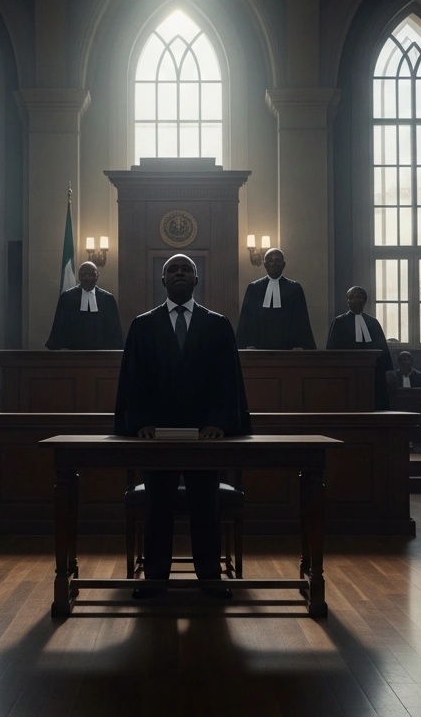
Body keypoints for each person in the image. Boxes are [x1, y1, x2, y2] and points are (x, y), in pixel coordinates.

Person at [114, 254, 251, 601]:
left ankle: (210, 576)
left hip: (205, 438)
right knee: (157, 507)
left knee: (206, 506)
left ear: (196, 278)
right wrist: (142, 422)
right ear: (162, 280)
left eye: (186, 269)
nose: (179, 273)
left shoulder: (217, 324)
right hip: (156, 437)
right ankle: (155, 577)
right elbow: (135, 380)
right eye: (172, 270)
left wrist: (219, 423)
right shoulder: (142, 325)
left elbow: (226, 381)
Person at [324, 286, 394, 409]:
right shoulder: (339, 322)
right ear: (347, 301)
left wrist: (387, 371)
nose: (355, 300)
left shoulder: (373, 322)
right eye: (351, 297)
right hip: (346, 371)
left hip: (373, 373)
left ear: (364, 301)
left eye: (358, 297)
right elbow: (332, 349)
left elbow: (383, 349)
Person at [235, 248, 317, 350]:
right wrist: (245, 344)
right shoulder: (254, 288)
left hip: (288, 349)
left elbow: (301, 321)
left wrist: (301, 345)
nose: (274, 263)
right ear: (265, 264)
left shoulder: (294, 288)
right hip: (258, 349)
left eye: (278, 261)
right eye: (270, 260)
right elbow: (246, 320)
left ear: (283, 264)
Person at [45, 261, 125, 350]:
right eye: (83, 275)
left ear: (97, 276)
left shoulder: (107, 299)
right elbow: (59, 326)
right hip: (73, 353)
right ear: (79, 277)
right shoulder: (67, 297)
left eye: (91, 275)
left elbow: (115, 330)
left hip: (102, 354)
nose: (87, 278)